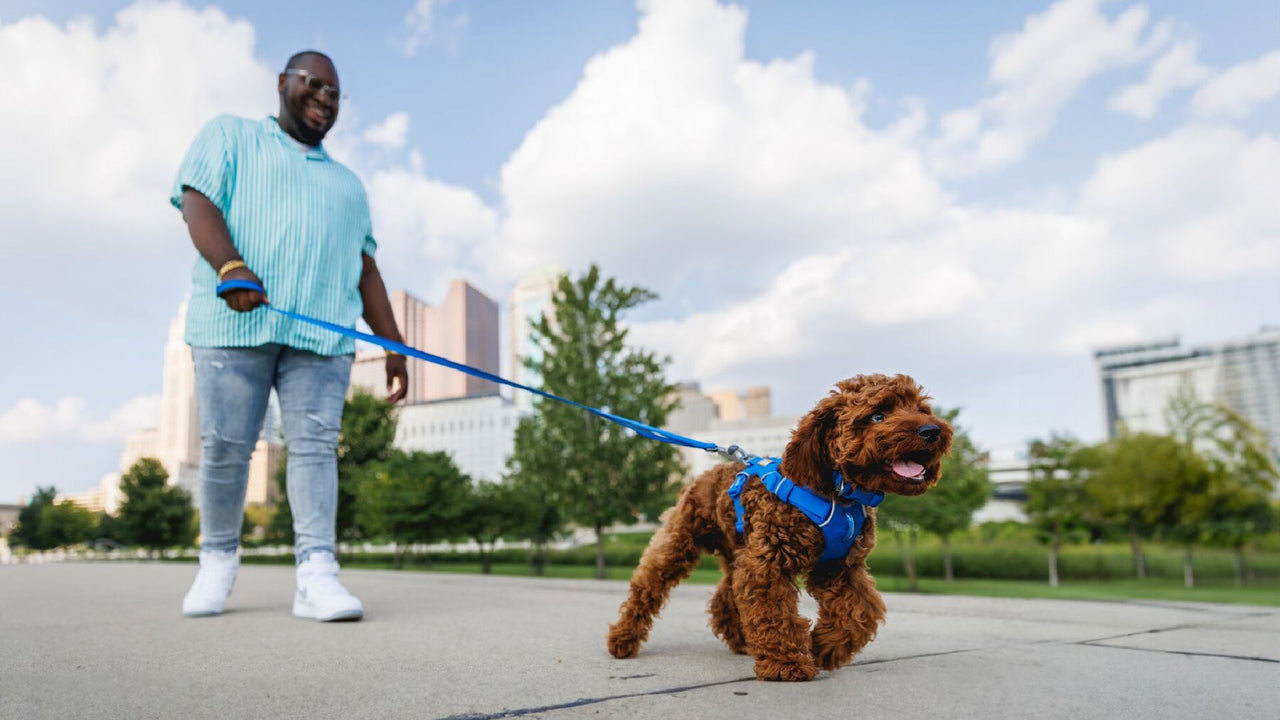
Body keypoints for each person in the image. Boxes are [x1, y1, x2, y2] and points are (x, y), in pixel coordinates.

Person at [172, 50, 407, 622]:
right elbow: (197, 204)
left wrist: (395, 345)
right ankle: (217, 561)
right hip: (234, 321)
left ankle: (317, 575)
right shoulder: (228, 136)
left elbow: (366, 269)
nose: (325, 96)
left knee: (315, 448)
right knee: (226, 447)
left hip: (320, 340)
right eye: (314, 83)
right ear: (283, 84)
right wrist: (230, 266)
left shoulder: (350, 186)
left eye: (335, 91)